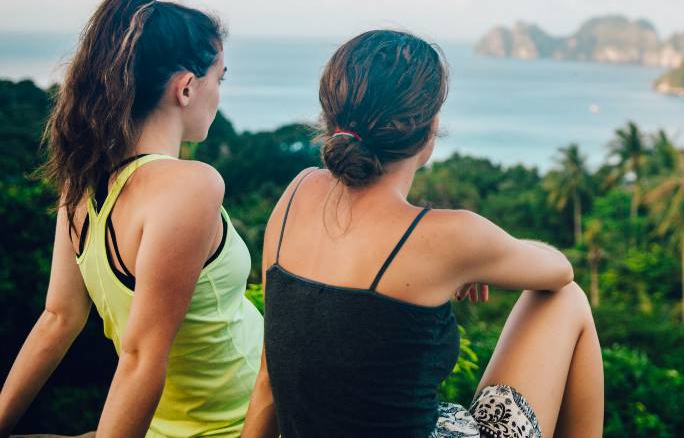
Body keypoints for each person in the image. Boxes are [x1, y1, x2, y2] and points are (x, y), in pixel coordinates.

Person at [243, 30, 604, 438]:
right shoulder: (447, 237)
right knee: (567, 298)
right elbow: (559, 270)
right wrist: (479, 259)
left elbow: (268, 382)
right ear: (430, 127)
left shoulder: (295, 196)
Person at [0, 0, 261, 437]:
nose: (218, 93)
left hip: (165, 425)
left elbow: (57, 320)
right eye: (220, 78)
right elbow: (141, 357)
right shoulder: (191, 185)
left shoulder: (81, 184)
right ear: (185, 88)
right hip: (237, 424)